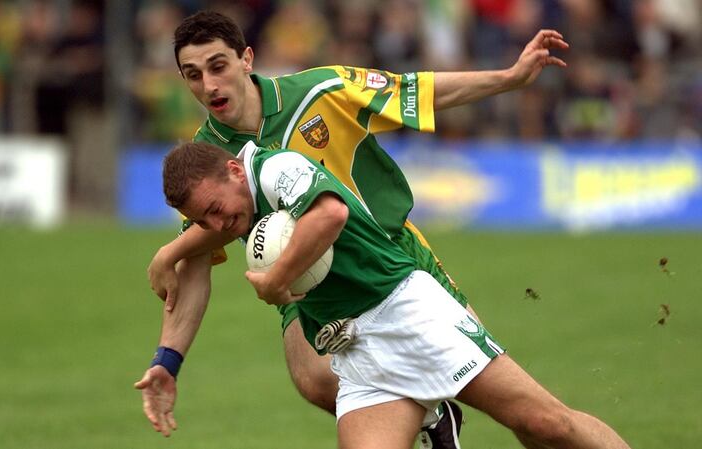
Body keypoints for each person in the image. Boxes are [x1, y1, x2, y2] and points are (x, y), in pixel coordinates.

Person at [138, 10, 569, 446]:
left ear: (246, 59)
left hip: (392, 258)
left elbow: (413, 91)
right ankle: (430, 421)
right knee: (315, 379)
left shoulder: (319, 90)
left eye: (218, 66)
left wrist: (509, 78)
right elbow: (197, 260)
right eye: (193, 75)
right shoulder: (203, 160)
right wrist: (167, 358)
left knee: (524, 415)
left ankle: (450, 413)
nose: (208, 85)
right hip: (304, 276)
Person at [148, 140, 632, 449]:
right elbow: (215, 228)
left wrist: (277, 282)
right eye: (203, 219)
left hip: (408, 311)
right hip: (356, 349)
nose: (216, 226)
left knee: (547, 426)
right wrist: (169, 253)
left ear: (235, 171)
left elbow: (330, 215)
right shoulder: (235, 204)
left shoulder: (278, 167)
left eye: (215, 210)